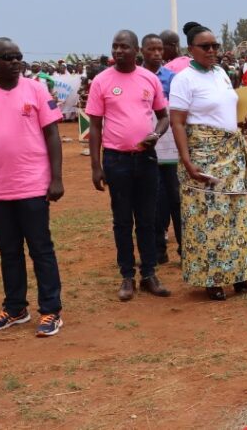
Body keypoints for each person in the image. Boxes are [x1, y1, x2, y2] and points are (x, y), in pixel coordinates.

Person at [0, 37, 65, 337]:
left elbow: (52, 135)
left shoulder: (35, 90)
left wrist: (56, 178)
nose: (14, 61)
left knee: (41, 250)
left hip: (33, 186)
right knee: (9, 252)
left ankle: (51, 311)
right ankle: (16, 308)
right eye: (7, 57)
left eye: (18, 56)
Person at [169, 22, 247, 300]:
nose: (212, 51)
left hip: (230, 153)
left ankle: (244, 277)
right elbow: (177, 122)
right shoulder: (184, 79)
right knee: (208, 216)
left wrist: (246, 120)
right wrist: (187, 161)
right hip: (203, 154)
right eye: (206, 47)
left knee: (237, 214)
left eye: (215, 46)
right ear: (190, 50)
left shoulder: (222, 74)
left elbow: (227, 112)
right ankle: (212, 279)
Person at [87, 30, 172, 301]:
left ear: (136, 50)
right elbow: (95, 127)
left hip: (146, 159)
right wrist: (96, 166)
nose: (118, 51)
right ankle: (127, 276)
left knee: (147, 219)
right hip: (116, 160)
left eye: (124, 46)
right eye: (115, 46)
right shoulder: (101, 81)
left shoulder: (149, 78)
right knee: (122, 220)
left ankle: (149, 274)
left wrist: (156, 135)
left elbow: (163, 117)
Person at [141, 34, 183, 265]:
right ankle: (157, 251)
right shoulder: (136, 77)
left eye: (160, 50)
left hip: (172, 149)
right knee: (153, 200)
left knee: (177, 199)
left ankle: (185, 250)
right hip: (147, 148)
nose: (157, 54)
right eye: (152, 49)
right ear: (142, 51)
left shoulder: (173, 78)